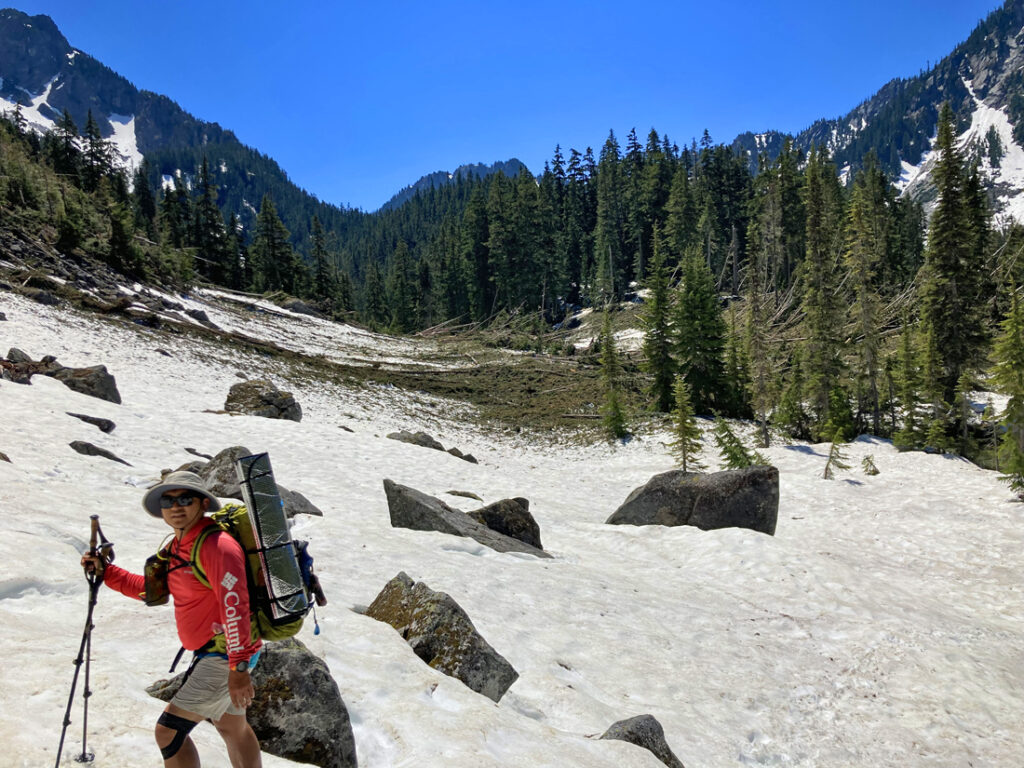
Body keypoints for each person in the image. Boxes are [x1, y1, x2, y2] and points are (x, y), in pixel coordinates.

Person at [81, 470, 263, 768]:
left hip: (225, 655)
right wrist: (107, 572)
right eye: (168, 499)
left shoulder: (217, 546)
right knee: (232, 726)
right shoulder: (177, 547)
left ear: (203, 503)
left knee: (168, 732)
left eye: (185, 499)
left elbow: (236, 605)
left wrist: (238, 668)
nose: (176, 506)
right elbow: (152, 590)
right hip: (218, 652)